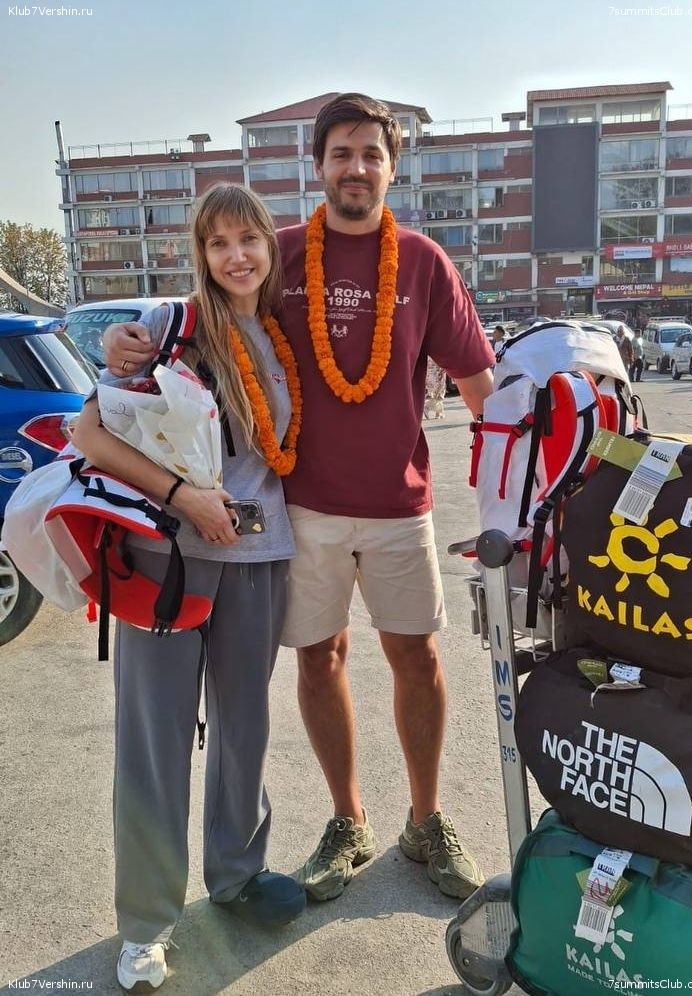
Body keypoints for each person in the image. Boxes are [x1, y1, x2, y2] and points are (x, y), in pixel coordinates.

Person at [104, 93, 495, 906]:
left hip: (401, 505)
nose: (356, 168)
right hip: (301, 508)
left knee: (418, 657)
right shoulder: (279, 254)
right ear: (317, 165)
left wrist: (516, 501)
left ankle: (425, 821)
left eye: (371, 154)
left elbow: (481, 386)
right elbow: (206, 313)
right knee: (321, 659)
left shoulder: (423, 261)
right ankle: (348, 821)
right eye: (341, 153)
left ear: (392, 166)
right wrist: (123, 341)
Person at [74, 184, 306, 993]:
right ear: (199, 255)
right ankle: (145, 925)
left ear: (270, 246)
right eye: (218, 243)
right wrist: (184, 498)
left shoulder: (277, 333)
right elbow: (89, 432)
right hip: (165, 560)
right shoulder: (171, 327)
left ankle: (237, 875)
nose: (236, 256)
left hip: (260, 558)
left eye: (249, 239)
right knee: (156, 739)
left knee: (244, 728)